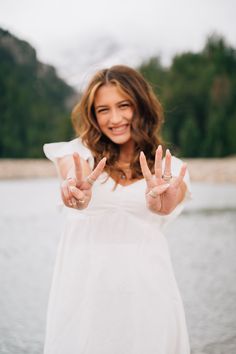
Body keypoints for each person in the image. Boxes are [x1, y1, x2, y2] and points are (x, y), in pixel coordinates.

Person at [43, 64, 192, 354]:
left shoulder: (169, 168)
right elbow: (72, 179)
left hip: (148, 296)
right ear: (93, 116)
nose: (114, 119)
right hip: (83, 299)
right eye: (103, 110)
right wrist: (75, 193)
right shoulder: (77, 155)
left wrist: (160, 201)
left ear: (141, 106)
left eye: (124, 105)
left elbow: (169, 202)